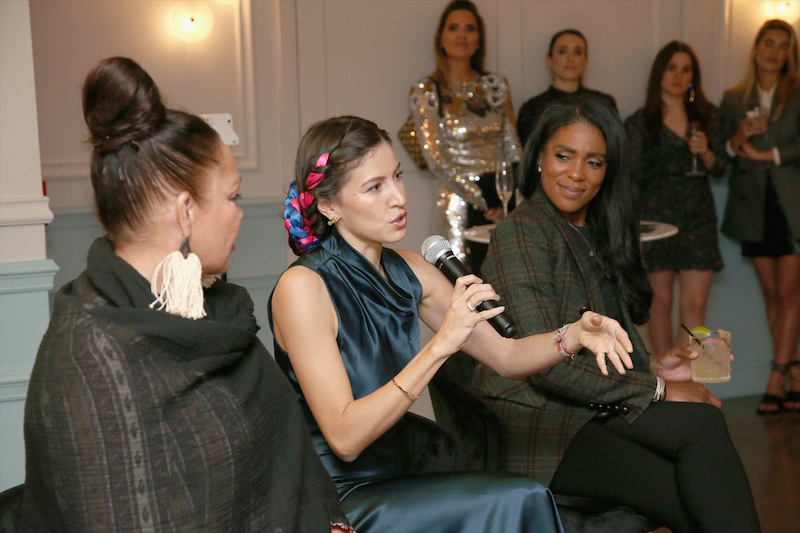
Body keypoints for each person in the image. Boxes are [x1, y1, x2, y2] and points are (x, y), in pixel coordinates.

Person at [21, 57, 351, 533]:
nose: (240, 215)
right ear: (185, 212)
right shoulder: (86, 359)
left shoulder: (213, 312)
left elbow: (286, 464)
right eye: (233, 197)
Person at [270, 115, 638, 533]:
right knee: (522, 499)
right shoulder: (303, 287)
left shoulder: (410, 268)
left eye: (397, 177)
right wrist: (441, 344)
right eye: (375, 187)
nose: (398, 198)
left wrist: (572, 334)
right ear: (329, 205)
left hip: (407, 470)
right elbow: (345, 439)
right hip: (340, 495)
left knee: (523, 495)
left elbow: (507, 355)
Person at [476, 96, 761, 533]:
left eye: (594, 162)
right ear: (538, 159)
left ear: (608, 170)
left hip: (591, 405)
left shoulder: (601, 229)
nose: (576, 174)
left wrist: (654, 364)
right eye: (563, 156)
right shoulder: (522, 232)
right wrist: (658, 388)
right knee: (696, 442)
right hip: (541, 420)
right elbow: (544, 366)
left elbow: (607, 336)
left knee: (699, 445)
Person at [624, 41, 727, 355]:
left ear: (693, 77)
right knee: (661, 303)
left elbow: (721, 167)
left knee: (695, 304)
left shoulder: (709, 116)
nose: (679, 76)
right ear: (659, 73)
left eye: (686, 69)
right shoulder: (640, 122)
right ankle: (666, 383)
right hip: (656, 219)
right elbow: (631, 179)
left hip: (698, 215)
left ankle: (688, 378)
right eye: (671, 68)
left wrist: (706, 153)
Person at [721, 19, 800, 414]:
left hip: (791, 205)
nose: (774, 52)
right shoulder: (734, 98)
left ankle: (776, 375)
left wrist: (769, 154)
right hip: (753, 207)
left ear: (790, 54)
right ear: (756, 48)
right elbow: (723, 156)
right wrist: (738, 140)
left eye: (783, 46)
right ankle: (795, 373)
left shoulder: (798, 92)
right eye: (768, 43)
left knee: (789, 296)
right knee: (772, 296)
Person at [409, 0, 522, 272]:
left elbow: (513, 146)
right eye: (454, 28)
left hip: (502, 200)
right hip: (457, 203)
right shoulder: (427, 90)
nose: (462, 35)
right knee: (462, 283)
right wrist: (481, 199)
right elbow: (436, 159)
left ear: (479, 39)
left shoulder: (495, 85)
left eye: (470, 28)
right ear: (441, 38)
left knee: (504, 278)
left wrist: (504, 199)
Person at [516, 29, 617, 148]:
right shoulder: (532, 108)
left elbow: (613, 150)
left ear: (585, 61)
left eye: (578, 52)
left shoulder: (604, 103)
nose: (570, 59)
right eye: (562, 52)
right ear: (549, 60)